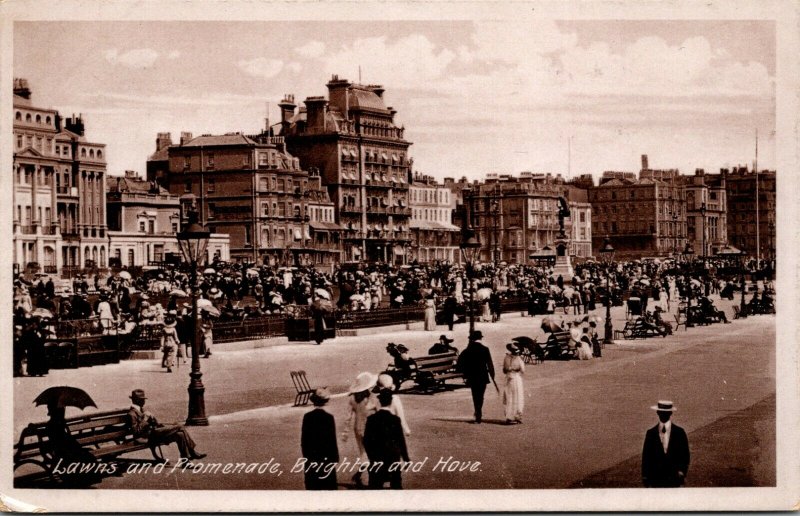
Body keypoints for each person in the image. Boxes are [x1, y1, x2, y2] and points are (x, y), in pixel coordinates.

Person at [127, 389, 206, 461]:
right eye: (142, 400)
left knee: (180, 434)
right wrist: (145, 419)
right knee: (179, 426)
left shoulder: (141, 409)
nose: (144, 401)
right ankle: (192, 451)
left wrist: (153, 419)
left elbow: (155, 424)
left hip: (153, 433)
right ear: (137, 400)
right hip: (146, 437)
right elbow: (136, 432)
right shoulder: (132, 414)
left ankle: (185, 461)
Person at [44, 403, 103, 487]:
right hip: (63, 452)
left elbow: (66, 441)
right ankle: (83, 480)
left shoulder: (57, 423)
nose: (63, 412)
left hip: (66, 450)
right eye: (62, 410)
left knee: (86, 456)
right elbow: (61, 442)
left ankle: (83, 480)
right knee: (84, 457)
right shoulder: (54, 424)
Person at [363, 389, 410, 490]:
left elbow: (366, 441)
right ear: (391, 402)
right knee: (396, 484)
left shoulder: (371, 419)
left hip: (376, 457)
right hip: (393, 457)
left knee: (375, 486)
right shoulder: (395, 420)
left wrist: (371, 456)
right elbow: (401, 441)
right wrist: (406, 458)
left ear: (380, 401)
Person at [642, 400, 690, 488]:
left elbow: (685, 454)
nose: (663, 415)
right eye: (661, 412)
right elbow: (646, 456)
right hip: (656, 479)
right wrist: (645, 476)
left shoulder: (679, 433)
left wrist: (682, 471)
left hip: (674, 478)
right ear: (657, 412)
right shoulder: (651, 433)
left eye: (666, 413)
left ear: (671, 413)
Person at [342, 372, 378, 488]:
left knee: (363, 451)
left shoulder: (352, 398)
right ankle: (372, 475)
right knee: (374, 452)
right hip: (371, 428)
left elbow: (348, 417)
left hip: (358, 428)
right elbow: (379, 412)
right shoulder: (372, 397)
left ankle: (360, 473)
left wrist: (345, 432)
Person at [300, 388, 339, 490]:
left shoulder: (307, 417)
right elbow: (332, 440)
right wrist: (335, 458)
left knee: (313, 487)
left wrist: (306, 457)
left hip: (312, 457)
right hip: (326, 457)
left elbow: (304, 440)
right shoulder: (329, 417)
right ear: (325, 401)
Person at [456, 330, 495, 424]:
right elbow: (490, 364)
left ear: (472, 339)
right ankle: (478, 411)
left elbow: (460, 363)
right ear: (481, 338)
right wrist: (492, 375)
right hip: (483, 376)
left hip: (472, 376)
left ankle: (477, 412)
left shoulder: (467, 350)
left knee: (475, 395)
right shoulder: (485, 349)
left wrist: (464, 375)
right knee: (481, 395)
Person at [502, 343, 525, 424]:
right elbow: (523, 370)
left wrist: (509, 369)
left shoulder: (506, 357)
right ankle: (517, 416)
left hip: (509, 378)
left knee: (509, 397)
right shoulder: (519, 359)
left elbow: (504, 370)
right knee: (518, 396)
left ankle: (509, 417)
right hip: (517, 378)